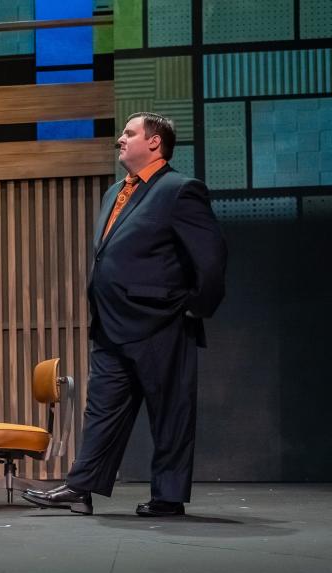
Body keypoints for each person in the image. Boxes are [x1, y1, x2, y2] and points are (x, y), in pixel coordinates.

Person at [23, 113, 227, 516]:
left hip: (161, 321)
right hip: (113, 322)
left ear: (154, 143)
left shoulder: (179, 189)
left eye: (129, 133)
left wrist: (192, 308)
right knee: (102, 408)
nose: (120, 139)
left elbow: (211, 258)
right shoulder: (115, 191)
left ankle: (167, 497)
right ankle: (81, 487)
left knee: (169, 411)